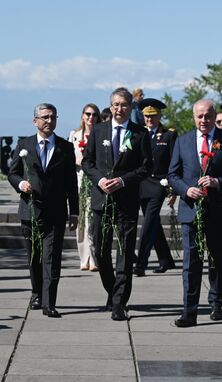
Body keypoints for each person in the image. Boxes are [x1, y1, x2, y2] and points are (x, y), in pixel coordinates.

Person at [82, 88, 152, 321]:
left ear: (130, 107)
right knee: (100, 250)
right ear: (110, 106)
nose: (119, 109)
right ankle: (112, 290)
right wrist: (100, 180)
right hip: (102, 201)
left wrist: (122, 181)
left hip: (126, 201)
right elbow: (87, 161)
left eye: (123, 105)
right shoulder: (99, 130)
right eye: (115, 104)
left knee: (123, 252)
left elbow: (145, 167)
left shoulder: (140, 133)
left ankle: (119, 301)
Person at [168, 99, 222, 327]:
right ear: (194, 117)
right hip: (190, 212)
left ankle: (217, 303)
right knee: (191, 263)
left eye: (208, 116)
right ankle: (189, 311)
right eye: (199, 116)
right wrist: (185, 190)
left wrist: (219, 182)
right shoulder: (182, 141)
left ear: (214, 115)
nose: (204, 121)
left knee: (217, 259)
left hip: (217, 210)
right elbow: (172, 174)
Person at [8, 103, 79, 318]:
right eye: (45, 117)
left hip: (55, 212)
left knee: (52, 257)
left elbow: (71, 183)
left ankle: (49, 302)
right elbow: (13, 173)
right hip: (30, 211)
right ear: (35, 121)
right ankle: (36, 292)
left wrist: (74, 211)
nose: (49, 121)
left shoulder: (65, 148)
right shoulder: (24, 145)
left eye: (53, 117)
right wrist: (21, 184)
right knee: (35, 257)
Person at [133, 98, 177, 277]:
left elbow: (175, 162)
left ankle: (141, 263)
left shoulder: (169, 135)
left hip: (159, 183)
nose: (149, 120)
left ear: (159, 116)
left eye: (153, 116)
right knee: (154, 224)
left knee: (149, 221)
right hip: (141, 183)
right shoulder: (138, 134)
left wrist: (172, 188)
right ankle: (166, 259)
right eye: (146, 116)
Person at [69, 103, 100, 271]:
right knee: (81, 219)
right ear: (82, 116)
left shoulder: (102, 133)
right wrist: (78, 162)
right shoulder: (75, 135)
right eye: (88, 114)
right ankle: (84, 257)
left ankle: (94, 257)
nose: (91, 117)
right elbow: (67, 157)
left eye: (94, 114)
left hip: (96, 180)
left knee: (94, 220)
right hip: (80, 179)